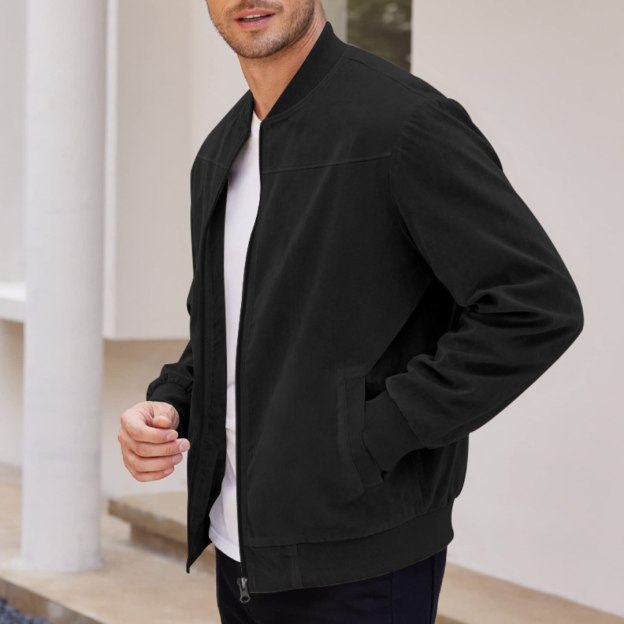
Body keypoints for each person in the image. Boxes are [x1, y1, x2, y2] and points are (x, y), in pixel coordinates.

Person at [117, 2, 584, 622]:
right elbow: (228, 322)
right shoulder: (221, 151)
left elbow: (534, 304)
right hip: (241, 549)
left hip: (363, 560)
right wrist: (173, 400)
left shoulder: (405, 123)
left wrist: (372, 438)